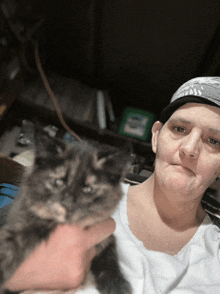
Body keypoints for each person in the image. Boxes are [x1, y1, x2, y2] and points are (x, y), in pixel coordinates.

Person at [3, 76, 220, 294]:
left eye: (214, 141)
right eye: (180, 129)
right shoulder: (51, 200)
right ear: (156, 137)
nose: (190, 148)